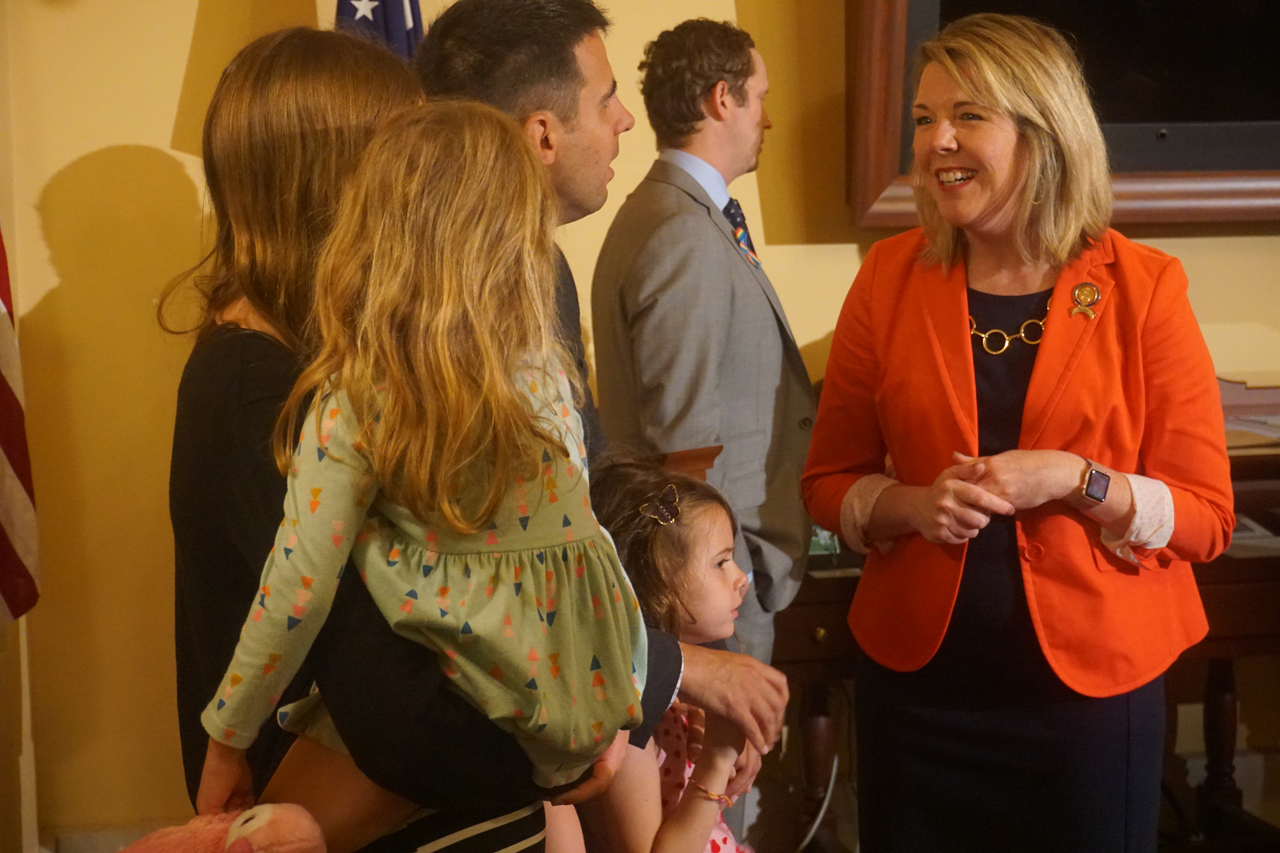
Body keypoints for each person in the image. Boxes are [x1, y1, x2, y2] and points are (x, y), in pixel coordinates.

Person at [801, 14, 1234, 852]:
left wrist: (1078, 479)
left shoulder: (1146, 288)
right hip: (918, 701)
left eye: (967, 115)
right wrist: (911, 504)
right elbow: (827, 484)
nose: (938, 142)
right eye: (924, 119)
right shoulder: (887, 279)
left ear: (1043, 129)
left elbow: (1207, 516)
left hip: (1088, 709)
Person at [194, 100, 648, 849]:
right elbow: (586, 545)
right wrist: (614, 687)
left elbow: (298, 583)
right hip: (571, 708)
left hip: (452, 713)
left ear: (369, 233)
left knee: (259, 825)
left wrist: (226, 736)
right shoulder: (546, 378)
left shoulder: (357, 397)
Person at [166, 31, 558, 853]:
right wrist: (564, 750)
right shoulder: (253, 386)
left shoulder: (317, 372)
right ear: (340, 183)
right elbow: (394, 703)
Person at [415, 0, 789, 779]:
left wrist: (654, 669)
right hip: (490, 723)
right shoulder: (442, 298)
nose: (626, 121)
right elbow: (504, 549)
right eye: (605, 98)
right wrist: (677, 658)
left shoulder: (539, 265)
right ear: (543, 134)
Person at [592, 19, 813, 670]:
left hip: (726, 571)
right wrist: (707, 586)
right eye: (761, 96)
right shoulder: (679, 233)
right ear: (723, 99)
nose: (767, 119)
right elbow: (682, 454)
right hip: (716, 585)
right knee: (723, 775)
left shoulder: (677, 216)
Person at [578, 456, 754, 853]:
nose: (741, 578)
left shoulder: (676, 694)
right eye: (721, 562)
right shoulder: (632, 714)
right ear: (657, 574)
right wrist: (718, 759)